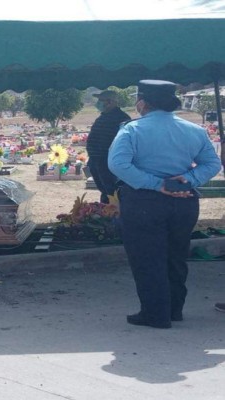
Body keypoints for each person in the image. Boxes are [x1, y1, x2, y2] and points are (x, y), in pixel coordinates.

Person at [108, 80, 221, 329]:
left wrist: (156, 184)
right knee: (176, 255)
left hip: (144, 201)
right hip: (184, 201)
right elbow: (212, 164)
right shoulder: (194, 130)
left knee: (147, 257)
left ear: (142, 103)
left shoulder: (131, 130)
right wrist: (188, 180)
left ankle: (155, 313)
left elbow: (118, 164)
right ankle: (174, 309)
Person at [86, 90, 130, 203]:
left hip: (108, 163)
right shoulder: (103, 117)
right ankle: (106, 212)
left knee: (112, 193)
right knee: (105, 192)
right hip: (96, 162)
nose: (98, 103)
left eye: (101, 100)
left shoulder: (122, 119)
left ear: (110, 102)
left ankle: (113, 214)